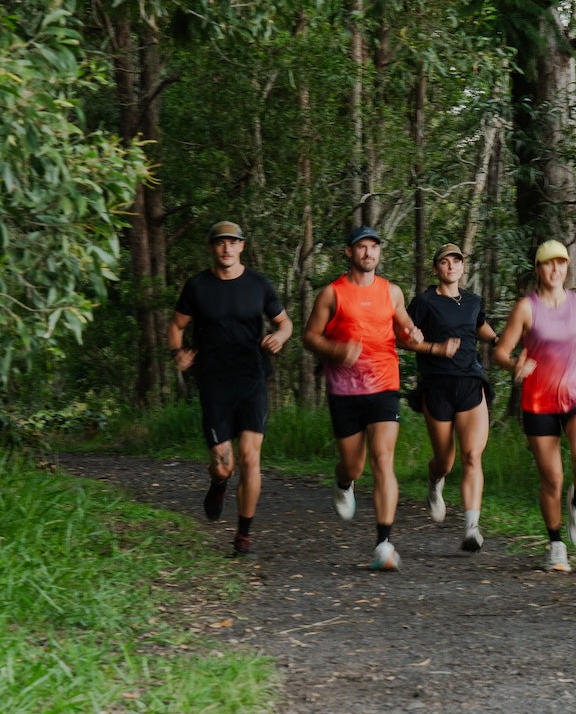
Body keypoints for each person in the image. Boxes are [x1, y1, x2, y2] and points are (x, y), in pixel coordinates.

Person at [493, 239, 576, 573]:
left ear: (568, 267)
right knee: (552, 478)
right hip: (538, 401)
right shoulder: (526, 308)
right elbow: (500, 351)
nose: (555, 269)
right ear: (538, 269)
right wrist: (514, 366)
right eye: (549, 264)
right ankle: (555, 544)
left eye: (561, 263)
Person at [167, 220, 293, 560]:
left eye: (232, 242)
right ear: (212, 248)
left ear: (241, 246)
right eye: (220, 243)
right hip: (214, 383)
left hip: (252, 379)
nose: (226, 248)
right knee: (224, 466)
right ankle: (219, 482)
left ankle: (243, 536)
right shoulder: (197, 287)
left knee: (251, 458)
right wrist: (177, 353)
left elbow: (284, 322)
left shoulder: (258, 284)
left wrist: (279, 336)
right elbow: (176, 327)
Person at [302, 225, 423, 571]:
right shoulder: (332, 294)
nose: (368, 253)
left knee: (383, 459)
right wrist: (335, 349)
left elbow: (404, 326)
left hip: (385, 382)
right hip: (345, 389)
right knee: (354, 464)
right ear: (349, 253)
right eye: (362, 247)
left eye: (374, 247)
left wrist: (412, 332)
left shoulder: (392, 291)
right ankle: (344, 481)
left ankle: (384, 543)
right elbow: (310, 337)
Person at [406, 243, 500, 553]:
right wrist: (434, 348)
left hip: (470, 383)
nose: (451, 266)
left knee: (472, 456)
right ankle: (435, 483)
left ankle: (471, 527)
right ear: (435, 268)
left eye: (456, 261)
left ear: (462, 267)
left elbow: (479, 324)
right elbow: (403, 338)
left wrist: (500, 339)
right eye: (444, 262)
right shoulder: (423, 302)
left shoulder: (473, 301)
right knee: (445, 460)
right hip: (437, 386)